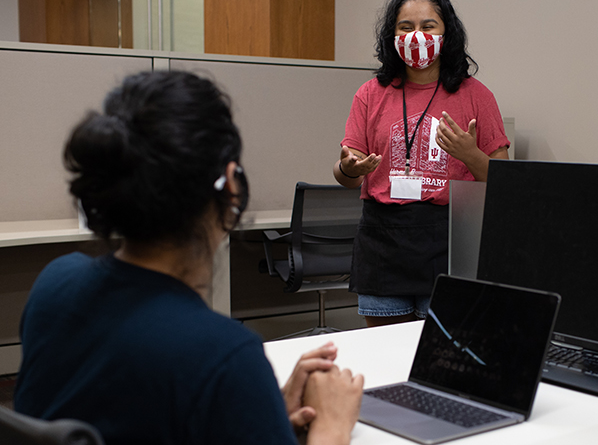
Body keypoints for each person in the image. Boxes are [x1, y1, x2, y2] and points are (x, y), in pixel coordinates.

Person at [14, 71, 363, 445]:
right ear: (231, 185)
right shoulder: (223, 356)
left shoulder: (55, 283)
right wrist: (332, 426)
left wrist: (263, 411)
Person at [333, 0, 510, 327]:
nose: (416, 37)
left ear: (448, 33)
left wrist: (469, 154)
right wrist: (348, 167)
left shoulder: (476, 95)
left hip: (448, 238)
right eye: (405, 27)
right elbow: (345, 173)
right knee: (385, 358)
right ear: (392, 35)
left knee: (439, 358)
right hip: (384, 238)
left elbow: (503, 180)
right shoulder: (370, 94)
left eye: (428, 27)